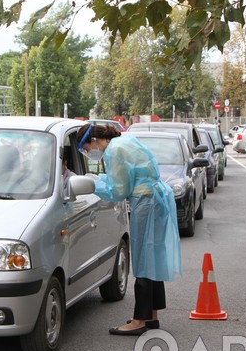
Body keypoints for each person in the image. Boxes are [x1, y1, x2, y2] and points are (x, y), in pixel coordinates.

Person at [76, 123, 182, 336]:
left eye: (87, 149)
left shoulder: (113, 151)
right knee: (153, 255)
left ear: (94, 141)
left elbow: (119, 190)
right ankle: (151, 315)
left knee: (142, 259)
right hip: (156, 198)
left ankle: (138, 320)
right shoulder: (125, 140)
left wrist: (94, 183)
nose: (89, 153)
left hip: (145, 202)